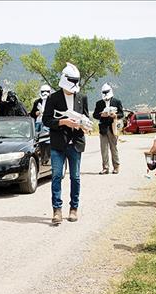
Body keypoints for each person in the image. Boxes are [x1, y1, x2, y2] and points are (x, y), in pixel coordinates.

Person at [43, 62, 89, 224]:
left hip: (76, 143)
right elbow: (46, 120)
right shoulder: (52, 98)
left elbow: (85, 117)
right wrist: (63, 122)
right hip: (58, 144)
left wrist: (84, 124)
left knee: (75, 178)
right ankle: (57, 210)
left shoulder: (82, 97)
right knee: (56, 176)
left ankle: (74, 209)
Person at [92, 83, 124, 174]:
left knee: (114, 148)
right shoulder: (99, 103)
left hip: (113, 127)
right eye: (104, 92)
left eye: (107, 92)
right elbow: (94, 115)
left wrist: (115, 115)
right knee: (103, 149)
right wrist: (101, 115)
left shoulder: (117, 102)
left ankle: (116, 167)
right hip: (103, 128)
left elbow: (122, 114)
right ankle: (105, 167)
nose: (105, 93)